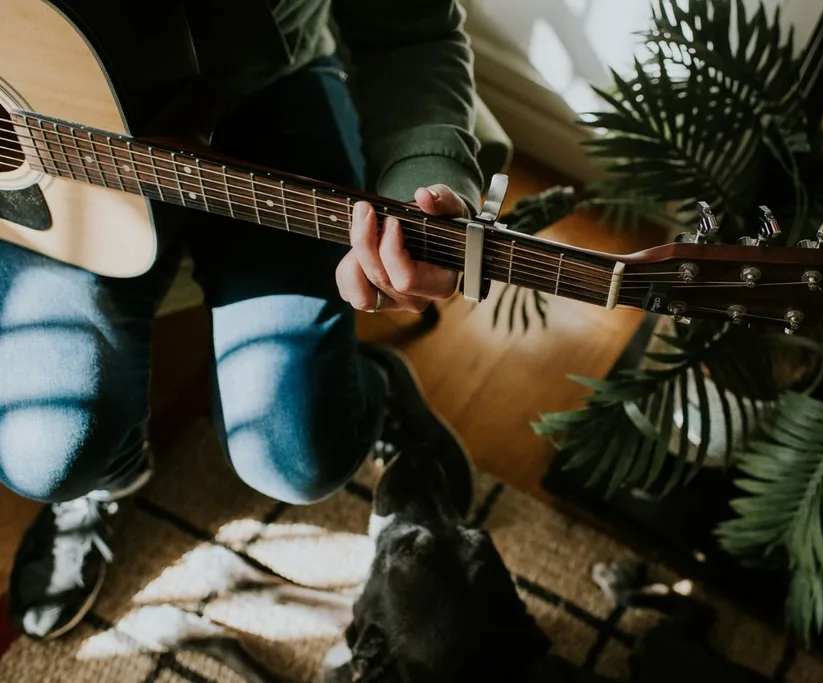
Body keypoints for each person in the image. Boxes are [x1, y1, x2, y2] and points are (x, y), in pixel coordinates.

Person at [1, 0, 481, 641]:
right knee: (46, 456)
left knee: (297, 457)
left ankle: (375, 386)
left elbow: (412, 36)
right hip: (44, 114)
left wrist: (428, 185)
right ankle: (108, 472)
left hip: (270, 89)